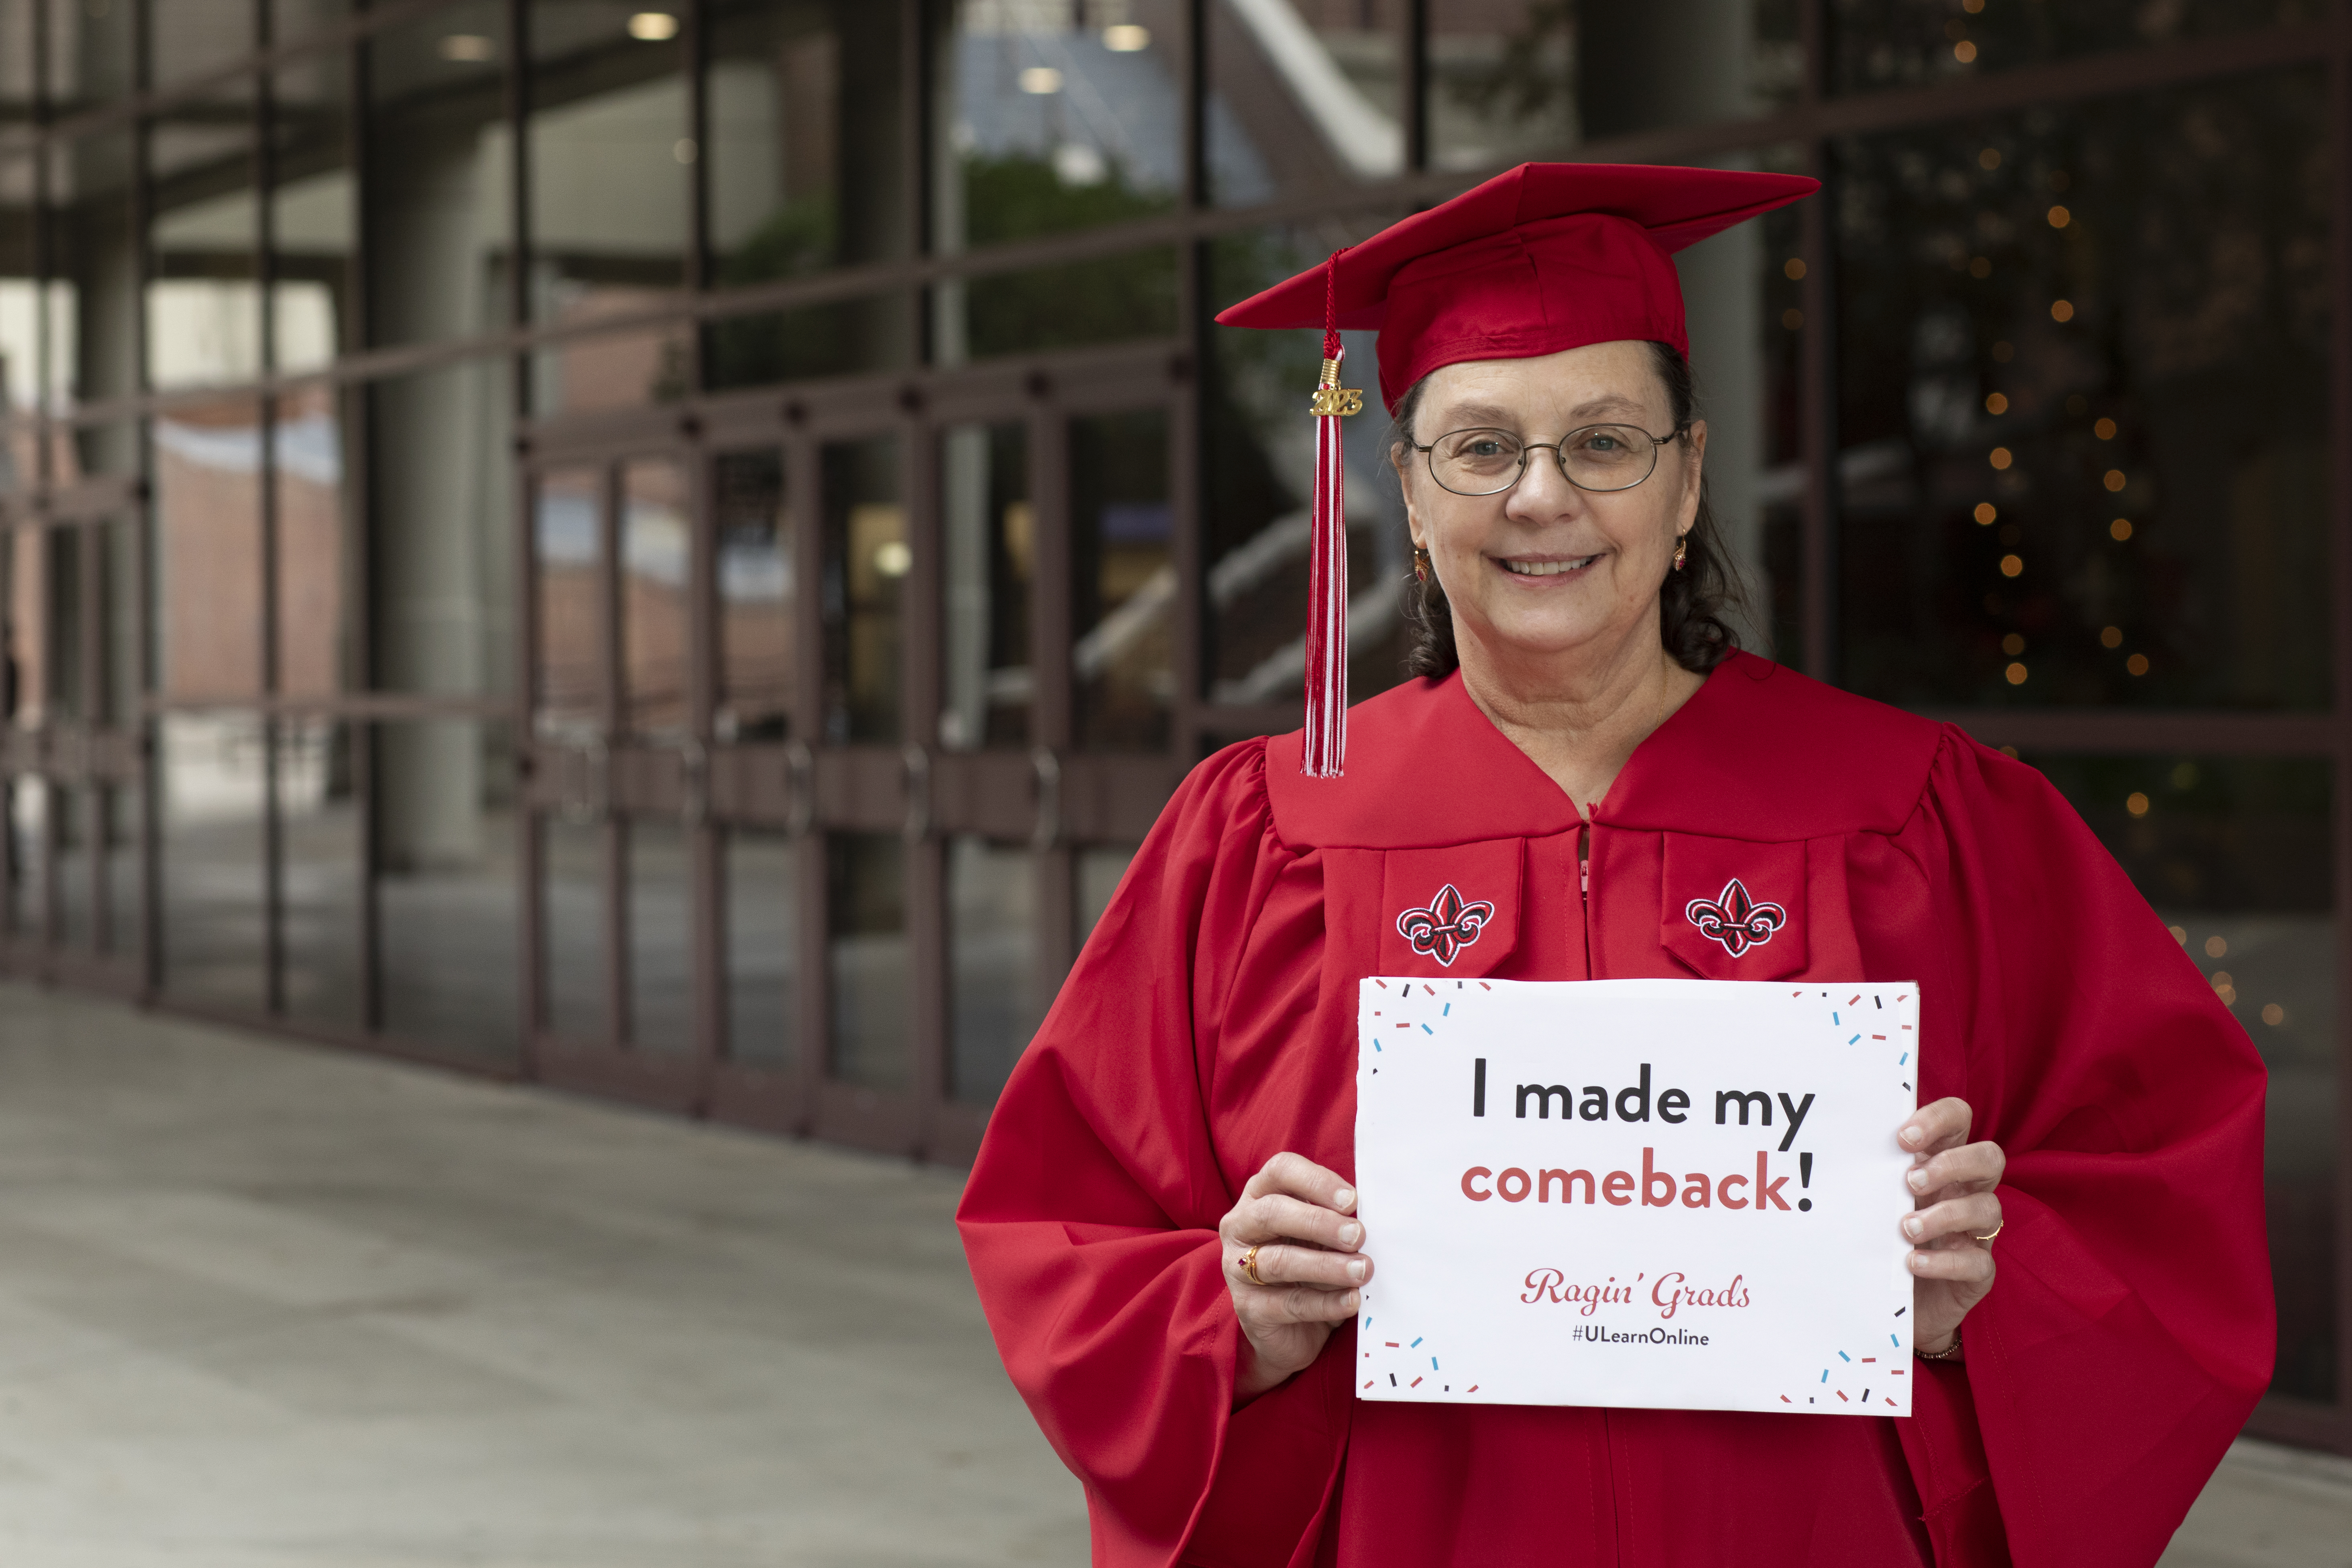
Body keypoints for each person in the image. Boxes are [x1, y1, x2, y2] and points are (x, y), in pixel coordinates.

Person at [957, 163, 2271, 1567]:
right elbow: (1065, 1225)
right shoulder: (1259, 833)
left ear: (1689, 475)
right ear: (1403, 491)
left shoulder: (1921, 813)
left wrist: (1983, 1297)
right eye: (1478, 448)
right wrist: (1233, 1312)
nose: (1541, 497)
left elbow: (2163, 1183)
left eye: (1602, 442)